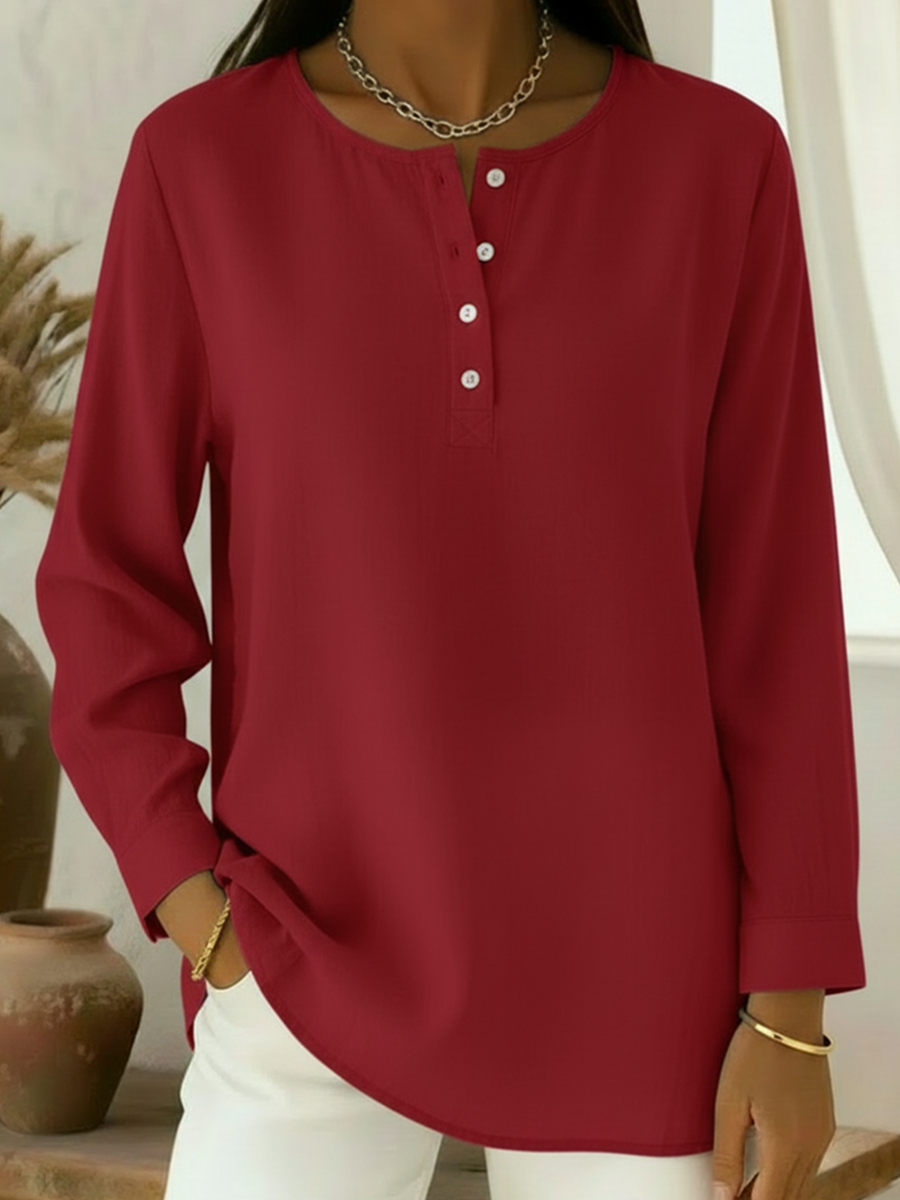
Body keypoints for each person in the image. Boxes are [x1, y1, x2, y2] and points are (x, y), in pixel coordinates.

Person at [34, 1, 866, 1197]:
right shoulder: (201, 164)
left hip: (641, 986)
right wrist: (193, 900)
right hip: (300, 964)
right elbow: (107, 577)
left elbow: (774, 613)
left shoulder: (719, 165)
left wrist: (790, 1010)